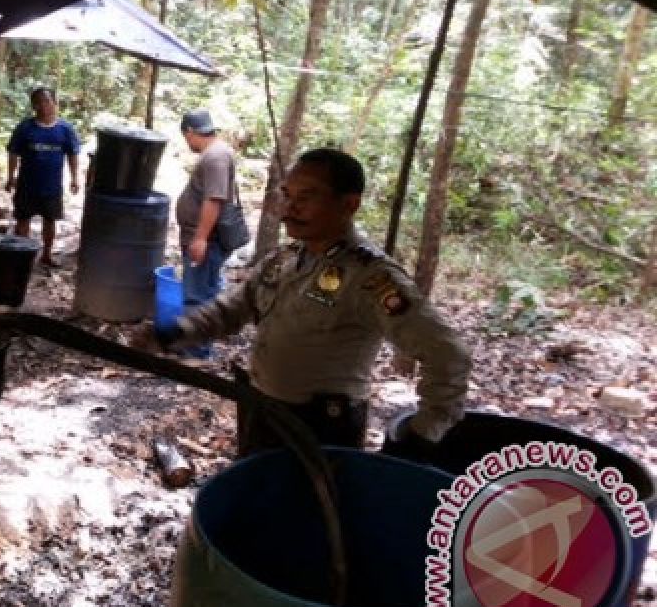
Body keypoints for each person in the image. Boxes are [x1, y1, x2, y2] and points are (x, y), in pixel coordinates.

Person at [139, 147, 469, 458]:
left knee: (306, 513)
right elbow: (232, 310)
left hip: (322, 429)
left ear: (349, 205)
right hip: (263, 411)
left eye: (307, 197)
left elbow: (448, 354)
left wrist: (424, 432)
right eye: (288, 195)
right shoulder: (285, 259)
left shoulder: (370, 277)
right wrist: (174, 331)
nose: (290, 208)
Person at [173, 110, 237, 355]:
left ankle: (196, 355)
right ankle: (197, 346)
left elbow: (214, 199)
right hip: (206, 238)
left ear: (190, 132)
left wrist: (200, 239)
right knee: (205, 291)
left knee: (196, 297)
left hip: (207, 241)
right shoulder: (216, 153)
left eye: (185, 137)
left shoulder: (215, 158)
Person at [5, 87, 81, 267]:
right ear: (33, 106)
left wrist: (74, 178)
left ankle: (46, 255)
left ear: (55, 104)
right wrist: (10, 177)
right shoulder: (24, 128)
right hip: (26, 185)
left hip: (51, 187)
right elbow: (13, 153)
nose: (43, 106)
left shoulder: (65, 130)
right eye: (39, 102)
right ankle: (21, 255)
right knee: (23, 220)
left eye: (47, 101)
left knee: (50, 220)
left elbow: (72, 155)